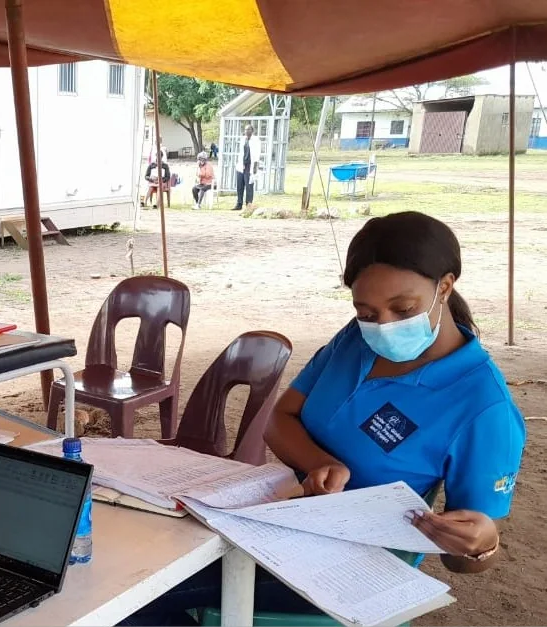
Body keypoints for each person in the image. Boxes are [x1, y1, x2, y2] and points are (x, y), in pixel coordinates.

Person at [122, 212, 525, 625]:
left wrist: (480, 546)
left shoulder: (482, 408)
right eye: (366, 311)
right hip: (283, 520)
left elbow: (467, 555)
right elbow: (280, 419)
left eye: (403, 308)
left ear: (445, 286)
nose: (382, 326)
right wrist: (319, 463)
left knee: (140, 596)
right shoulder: (356, 340)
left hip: (356, 565)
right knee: (139, 563)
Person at [233, 125, 260, 212]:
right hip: (241, 165)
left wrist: (255, 167)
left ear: (252, 131)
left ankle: (249, 204)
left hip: (250, 165)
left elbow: (257, 154)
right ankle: (239, 204)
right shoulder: (243, 139)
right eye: (245, 129)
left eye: (248, 129)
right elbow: (241, 152)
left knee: (249, 186)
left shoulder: (256, 140)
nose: (246, 131)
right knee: (239, 186)